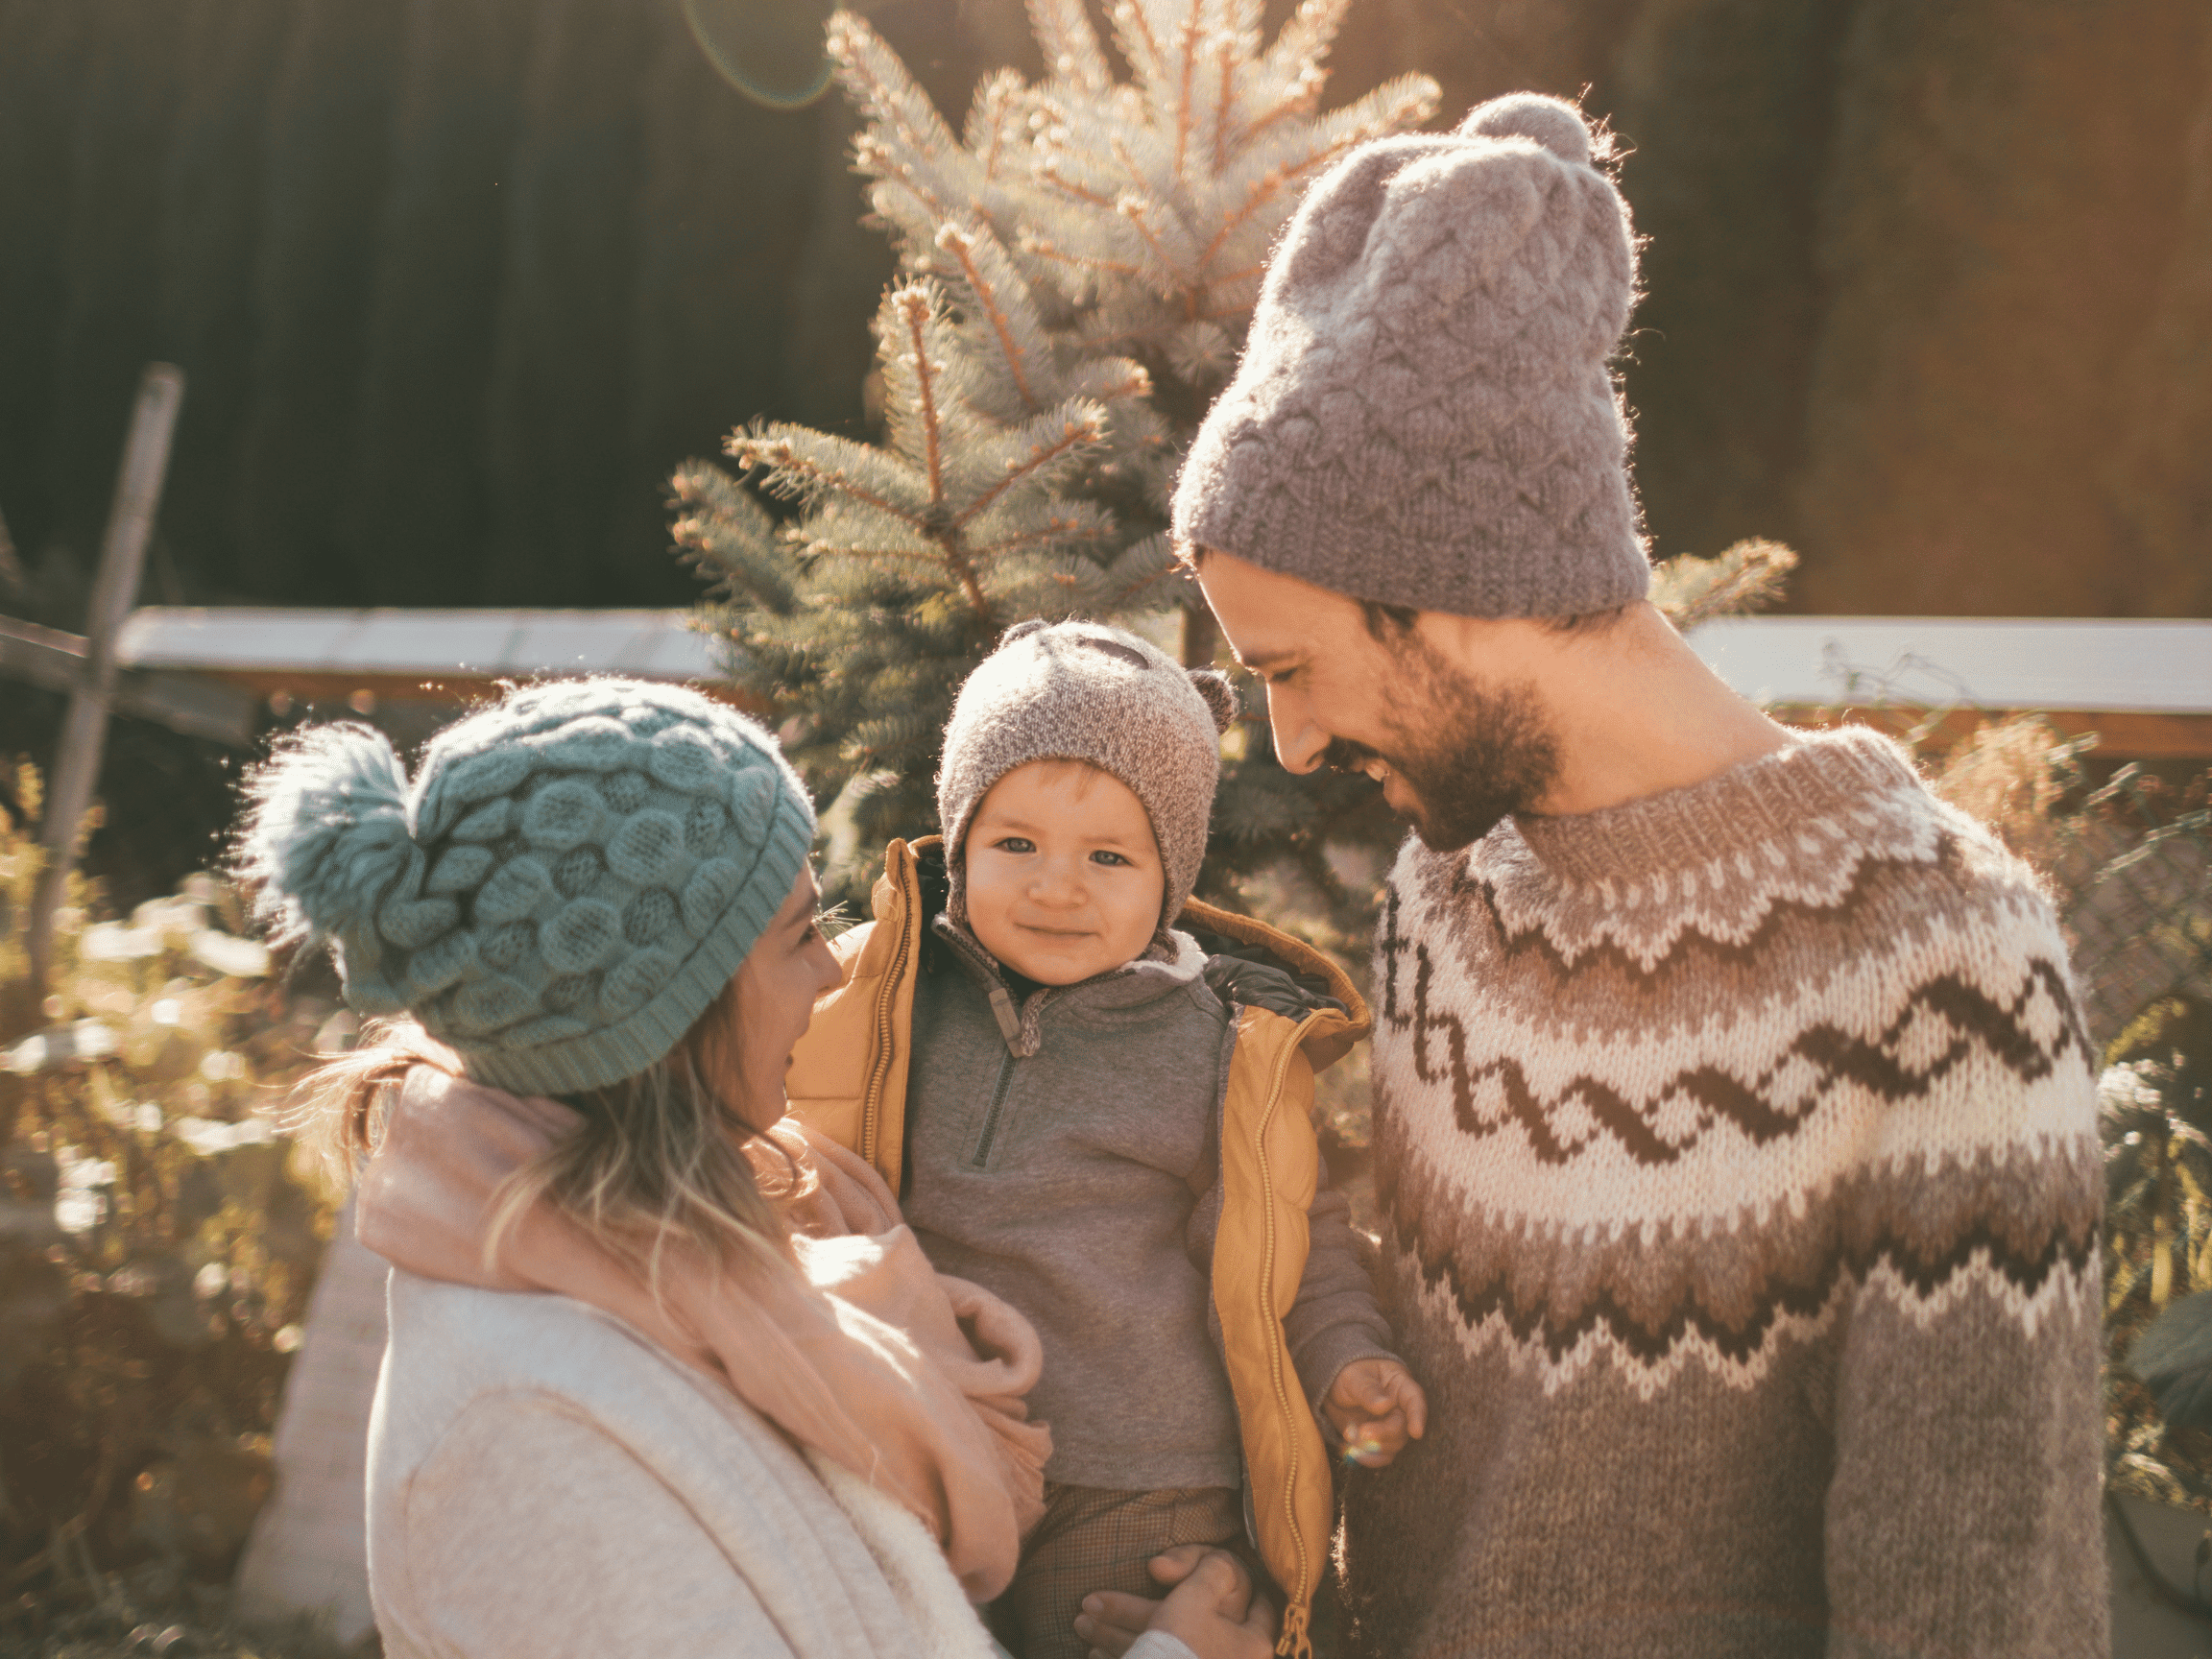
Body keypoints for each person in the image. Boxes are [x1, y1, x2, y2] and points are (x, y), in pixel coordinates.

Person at [1137, 89, 2104, 1658]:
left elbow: (1978, 1602)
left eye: (1292, 667)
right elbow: (1402, 1439)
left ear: (1447, 597)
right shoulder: (1448, 902)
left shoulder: (1941, 961)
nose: (1292, 742)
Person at [236, 677, 1276, 1659]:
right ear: (666, 1014)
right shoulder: (529, 1434)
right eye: (793, 937)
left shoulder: (745, 1236)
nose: (832, 973)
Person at [783, 620, 1428, 1658]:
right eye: (1016, 844)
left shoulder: (1217, 1043)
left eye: (1110, 856)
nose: (1057, 885)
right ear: (959, 843)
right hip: (926, 1439)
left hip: (1137, 1482)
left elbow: (1292, 1243)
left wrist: (1344, 1360)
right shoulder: (883, 995)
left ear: (1171, 874)